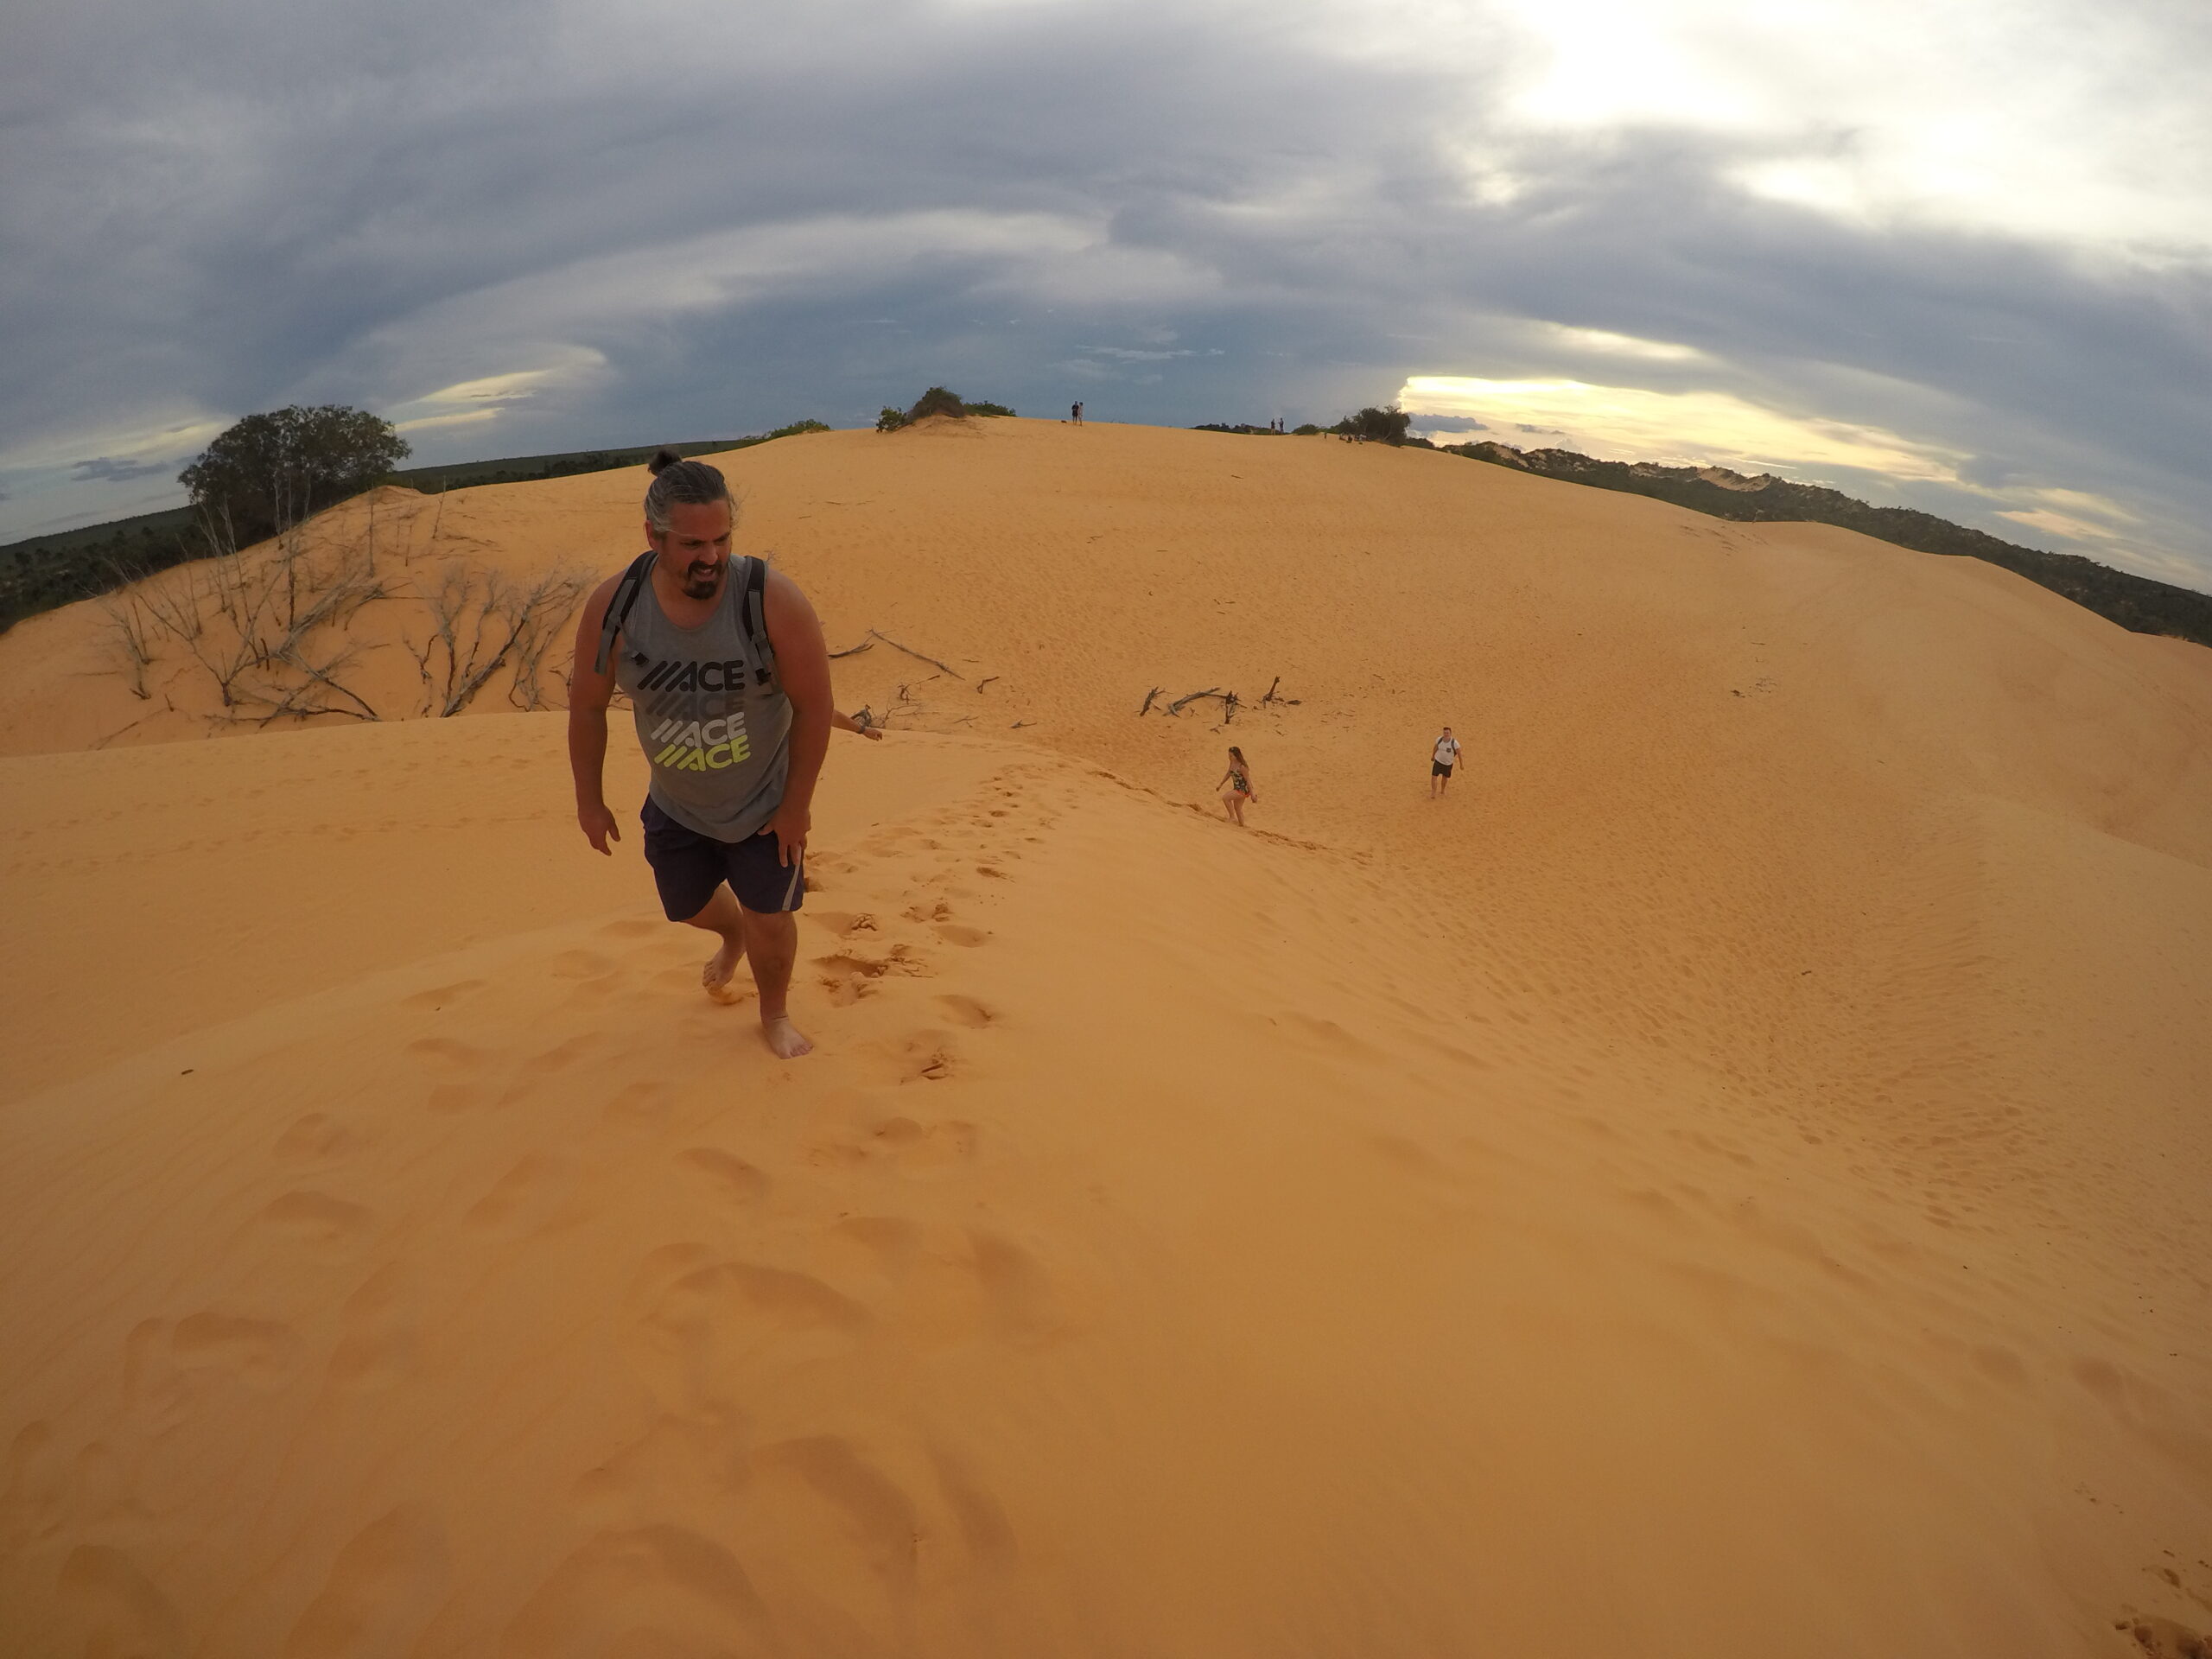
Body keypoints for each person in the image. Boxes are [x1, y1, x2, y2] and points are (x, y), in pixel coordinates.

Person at [568, 449, 835, 1059]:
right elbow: (587, 706)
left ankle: (774, 1014)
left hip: (763, 804)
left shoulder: (770, 600)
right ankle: (730, 933)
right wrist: (589, 801)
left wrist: (796, 807)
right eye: (691, 544)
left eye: (721, 539)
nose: (710, 557)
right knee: (686, 906)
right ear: (653, 536)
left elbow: (816, 707)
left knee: (771, 916)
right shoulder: (614, 608)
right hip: (677, 804)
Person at [1218, 745, 1255, 826]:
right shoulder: (1232, 763)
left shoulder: (1242, 767)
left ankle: (1232, 817)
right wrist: (1221, 784)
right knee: (1238, 808)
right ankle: (1242, 826)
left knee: (1226, 798)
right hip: (1237, 788)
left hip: (1242, 789)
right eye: (1229, 755)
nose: (1229, 757)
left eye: (1231, 756)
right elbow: (1228, 773)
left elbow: (1248, 780)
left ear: (1236, 756)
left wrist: (1253, 794)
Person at [1430, 726, 1462, 798]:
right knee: (1434, 777)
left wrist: (1461, 764)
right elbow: (1436, 748)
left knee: (1445, 778)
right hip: (1438, 761)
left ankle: (1442, 790)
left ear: (1450, 733)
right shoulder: (1439, 740)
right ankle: (1433, 792)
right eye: (1445, 733)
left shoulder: (1455, 743)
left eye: (1447, 733)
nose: (1446, 734)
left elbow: (1459, 754)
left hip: (1448, 764)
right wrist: (1433, 756)